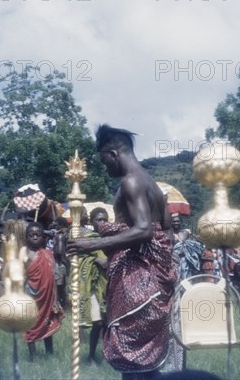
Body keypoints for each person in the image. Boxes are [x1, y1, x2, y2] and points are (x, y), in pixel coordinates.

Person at [67, 125, 176, 380]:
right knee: (145, 360)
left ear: (113, 153)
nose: (104, 167)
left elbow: (144, 230)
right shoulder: (151, 183)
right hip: (154, 281)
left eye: (103, 160)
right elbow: (167, 231)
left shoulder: (131, 182)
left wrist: (90, 245)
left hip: (139, 283)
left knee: (133, 357)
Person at [24, 221, 64, 362]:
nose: (35, 237)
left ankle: (49, 352)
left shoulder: (48, 254)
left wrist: (56, 298)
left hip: (48, 297)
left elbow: (54, 277)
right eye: (31, 235)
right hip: (30, 295)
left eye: (38, 235)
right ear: (26, 237)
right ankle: (33, 357)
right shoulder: (23, 254)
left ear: (43, 237)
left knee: (47, 322)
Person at [78, 207, 109, 365]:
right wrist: (97, 260)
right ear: (91, 221)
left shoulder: (113, 239)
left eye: (105, 219)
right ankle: (91, 355)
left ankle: (106, 356)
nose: (102, 222)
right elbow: (81, 259)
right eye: (99, 219)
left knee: (109, 323)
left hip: (110, 286)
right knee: (98, 323)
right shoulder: (87, 239)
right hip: (93, 286)